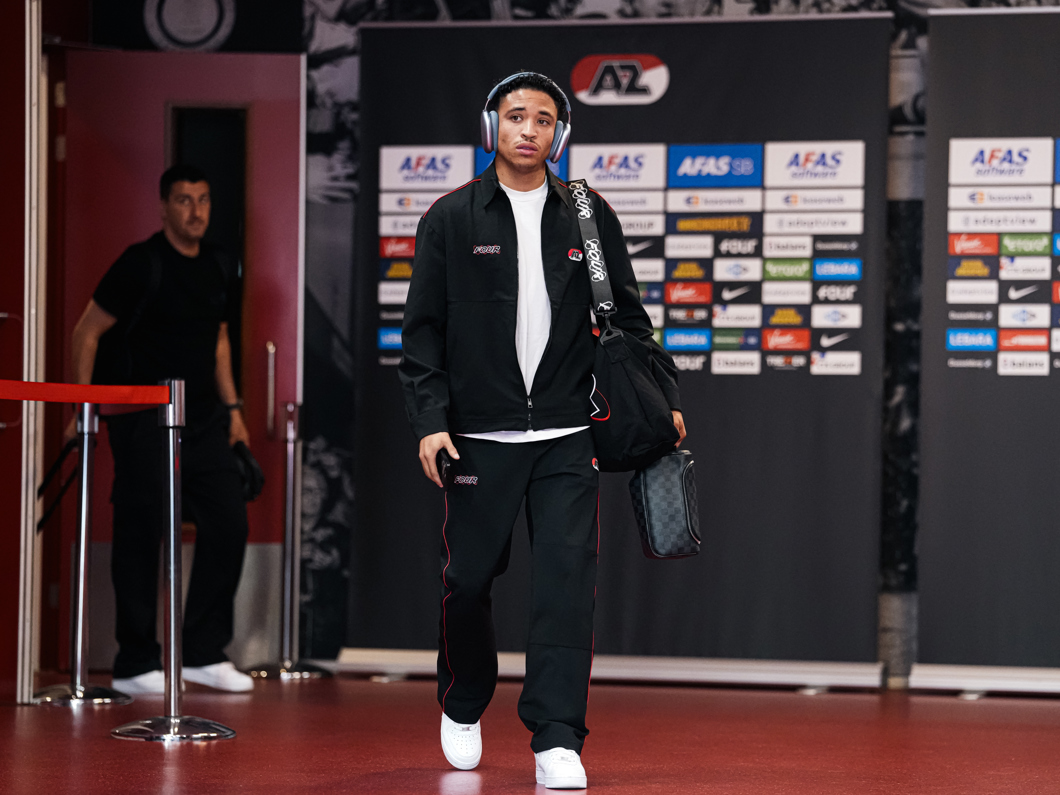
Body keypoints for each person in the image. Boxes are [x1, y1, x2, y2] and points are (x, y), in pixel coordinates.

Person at [399, 72, 684, 789]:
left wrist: (664, 398)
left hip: (566, 434)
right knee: (467, 581)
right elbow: (422, 334)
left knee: (566, 586)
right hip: (477, 437)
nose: (529, 129)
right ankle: (464, 699)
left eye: (544, 119)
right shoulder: (451, 217)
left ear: (560, 134)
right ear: (491, 124)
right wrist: (430, 422)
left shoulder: (587, 213)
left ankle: (557, 736)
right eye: (516, 115)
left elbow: (628, 317)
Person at [67, 164, 255, 694]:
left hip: (203, 420)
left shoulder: (219, 264)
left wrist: (234, 409)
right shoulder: (140, 263)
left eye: (203, 200)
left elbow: (219, 340)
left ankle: (201, 652)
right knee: (140, 531)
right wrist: (82, 409)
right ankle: (134, 662)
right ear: (163, 207)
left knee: (229, 522)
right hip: (142, 419)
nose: (195, 211)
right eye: (183, 200)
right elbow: (87, 332)